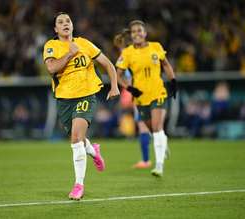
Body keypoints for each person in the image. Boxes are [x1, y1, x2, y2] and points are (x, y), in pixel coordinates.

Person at [43, 12, 120, 200]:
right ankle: (94, 151)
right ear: (55, 29)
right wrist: (70, 53)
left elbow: (108, 64)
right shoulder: (51, 46)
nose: (65, 24)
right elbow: (52, 68)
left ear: (72, 25)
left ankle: (79, 185)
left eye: (67, 21)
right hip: (64, 100)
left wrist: (115, 86)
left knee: (76, 139)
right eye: (60, 22)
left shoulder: (84, 43)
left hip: (86, 95)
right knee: (77, 137)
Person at [116, 20, 177, 177]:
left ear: (145, 33)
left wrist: (173, 82)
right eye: (134, 31)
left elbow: (166, 65)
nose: (137, 33)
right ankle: (163, 143)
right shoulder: (128, 53)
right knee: (153, 130)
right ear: (131, 35)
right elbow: (117, 76)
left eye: (140, 30)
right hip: (141, 98)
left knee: (157, 128)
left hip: (158, 93)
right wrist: (130, 89)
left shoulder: (156, 47)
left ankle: (158, 166)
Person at [114, 31, 152, 169]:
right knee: (144, 125)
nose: (119, 49)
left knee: (144, 125)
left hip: (141, 94)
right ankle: (147, 158)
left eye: (120, 46)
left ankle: (147, 159)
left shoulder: (129, 57)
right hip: (142, 93)